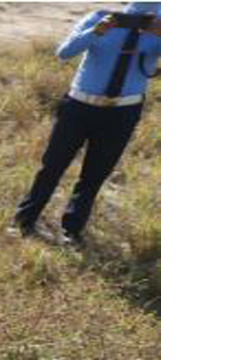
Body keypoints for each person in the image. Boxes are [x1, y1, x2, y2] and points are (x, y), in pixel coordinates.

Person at [12, 2, 160, 247]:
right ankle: (25, 219)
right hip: (79, 107)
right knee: (52, 166)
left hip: (123, 113)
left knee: (95, 174)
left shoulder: (160, 32)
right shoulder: (99, 18)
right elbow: (64, 52)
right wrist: (97, 31)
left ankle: (72, 230)